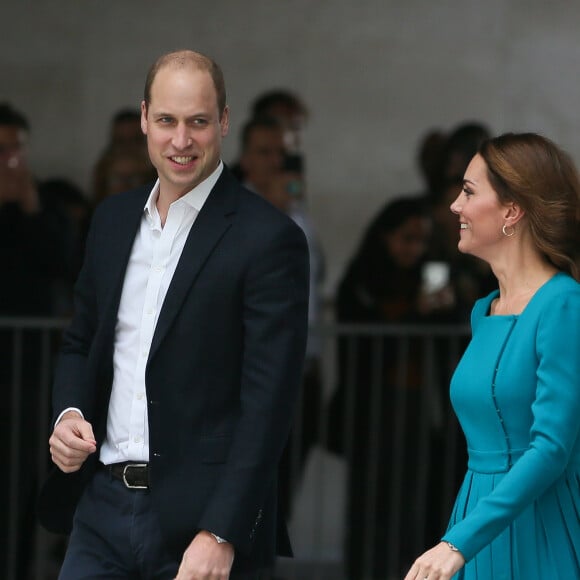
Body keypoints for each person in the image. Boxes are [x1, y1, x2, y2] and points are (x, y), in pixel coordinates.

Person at [37, 49, 310, 580]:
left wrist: (222, 531)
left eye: (198, 122)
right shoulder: (113, 220)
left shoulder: (269, 239)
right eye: (166, 120)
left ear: (224, 122)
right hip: (99, 511)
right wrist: (68, 414)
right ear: (144, 118)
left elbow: (269, 404)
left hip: (200, 529)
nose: (180, 141)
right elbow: (81, 340)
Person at [404, 132, 580, 580]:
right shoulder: (484, 310)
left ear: (512, 210)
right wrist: (460, 537)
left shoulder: (563, 303)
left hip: (539, 526)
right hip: (473, 518)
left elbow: (551, 448)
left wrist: (458, 542)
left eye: (468, 192)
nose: (454, 207)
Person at [327, 197, 454, 579]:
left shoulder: (432, 272)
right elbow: (365, 347)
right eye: (405, 238)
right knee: (369, 503)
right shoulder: (364, 276)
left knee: (412, 503)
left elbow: (446, 330)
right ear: (386, 236)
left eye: (420, 240)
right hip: (372, 408)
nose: (412, 249)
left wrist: (445, 305)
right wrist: (416, 312)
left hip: (417, 405)